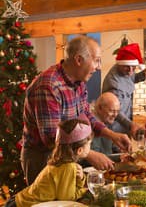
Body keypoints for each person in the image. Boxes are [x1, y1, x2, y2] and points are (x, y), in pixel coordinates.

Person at [21, 35, 131, 185]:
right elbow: (52, 138)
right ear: (79, 60)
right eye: (97, 60)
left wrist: (112, 135)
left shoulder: (79, 82)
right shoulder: (48, 86)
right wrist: (89, 154)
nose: (99, 66)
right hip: (44, 158)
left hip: (69, 155)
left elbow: (86, 115)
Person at [7, 116, 92, 207]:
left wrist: (80, 178)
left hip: (19, 201)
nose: (90, 146)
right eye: (90, 144)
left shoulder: (62, 163)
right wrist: (85, 190)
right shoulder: (68, 167)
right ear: (79, 150)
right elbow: (67, 200)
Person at [102, 43, 146, 136]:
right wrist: (131, 124)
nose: (131, 70)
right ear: (119, 64)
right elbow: (114, 111)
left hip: (124, 128)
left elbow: (131, 78)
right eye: (127, 67)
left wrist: (143, 75)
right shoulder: (114, 83)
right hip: (114, 130)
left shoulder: (125, 70)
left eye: (134, 67)